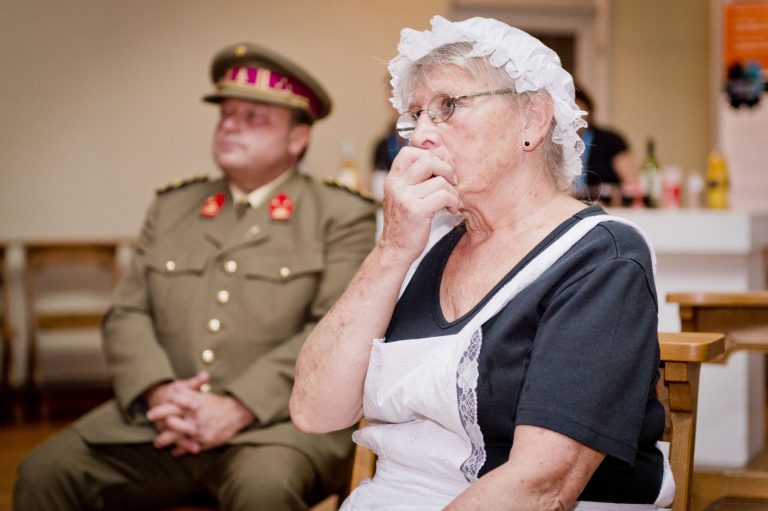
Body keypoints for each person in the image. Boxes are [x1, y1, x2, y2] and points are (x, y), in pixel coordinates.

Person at [291, 16, 673, 510]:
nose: (420, 136)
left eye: (448, 106)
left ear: (532, 119)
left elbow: (541, 485)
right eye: (415, 115)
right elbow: (314, 411)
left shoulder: (601, 257)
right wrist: (391, 250)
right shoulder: (421, 245)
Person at [14, 42, 377, 510]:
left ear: (297, 138)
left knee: (263, 490)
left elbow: (334, 330)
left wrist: (238, 405)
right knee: (45, 473)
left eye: (253, 117)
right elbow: (127, 313)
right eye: (226, 114)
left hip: (278, 426)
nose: (230, 126)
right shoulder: (173, 207)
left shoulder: (339, 214)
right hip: (161, 421)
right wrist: (158, 392)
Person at [573, 86, 640, 206]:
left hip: (606, 207)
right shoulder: (552, 143)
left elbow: (632, 184)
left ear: (588, 110)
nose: (573, 117)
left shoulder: (611, 140)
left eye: (577, 110)